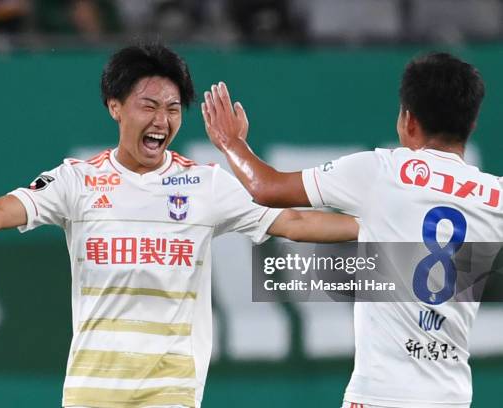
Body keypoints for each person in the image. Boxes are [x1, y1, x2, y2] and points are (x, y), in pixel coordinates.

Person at [0, 43, 357, 408]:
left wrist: (375, 225)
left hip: (171, 387)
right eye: (149, 106)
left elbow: (294, 221)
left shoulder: (205, 185)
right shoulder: (75, 181)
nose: (162, 121)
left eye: (174, 109)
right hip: (90, 389)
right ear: (115, 107)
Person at [201, 52, 503, 408]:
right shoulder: (495, 196)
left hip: (380, 394)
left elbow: (267, 188)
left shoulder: (382, 172)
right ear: (472, 123)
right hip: (451, 396)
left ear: (408, 120)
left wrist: (231, 143)